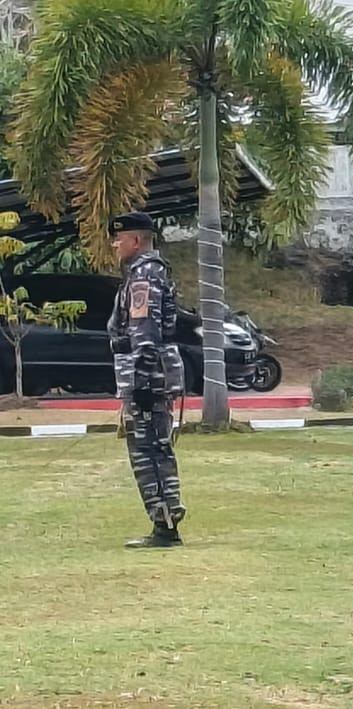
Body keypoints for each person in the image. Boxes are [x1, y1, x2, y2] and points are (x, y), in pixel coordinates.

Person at [111, 212, 188, 549]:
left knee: (148, 452)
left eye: (119, 238)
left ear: (136, 240)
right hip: (152, 375)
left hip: (148, 377)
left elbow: (145, 333)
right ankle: (165, 522)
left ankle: (165, 524)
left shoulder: (144, 276)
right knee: (155, 447)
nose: (114, 244)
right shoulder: (148, 273)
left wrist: (140, 385)